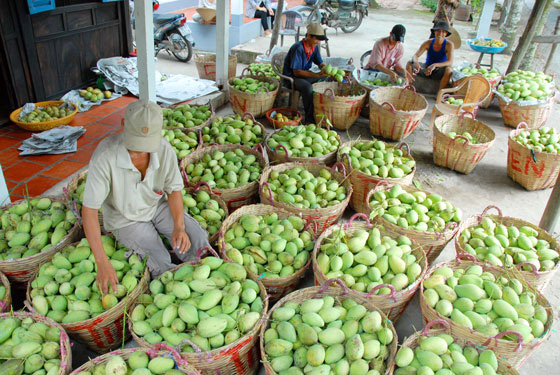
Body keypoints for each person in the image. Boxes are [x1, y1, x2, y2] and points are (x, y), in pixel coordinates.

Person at [82, 100, 211, 294]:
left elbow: (174, 190)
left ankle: (209, 283)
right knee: (159, 261)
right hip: (125, 219)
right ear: (123, 125)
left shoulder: (164, 149)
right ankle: (182, 296)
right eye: (135, 142)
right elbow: (89, 211)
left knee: (197, 239)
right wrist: (102, 262)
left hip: (157, 206)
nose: (140, 150)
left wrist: (179, 226)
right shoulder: (105, 157)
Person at [283, 23, 329, 124]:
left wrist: (325, 68)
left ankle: (320, 111)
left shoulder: (314, 47)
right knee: (307, 87)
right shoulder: (298, 48)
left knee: (326, 79)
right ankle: (309, 118)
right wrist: (316, 75)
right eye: (316, 39)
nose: (318, 42)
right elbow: (297, 71)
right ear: (308, 36)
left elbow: (319, 62)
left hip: (304, 75)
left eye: (319, 40)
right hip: (291, 77)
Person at [407, 21, 454, 91]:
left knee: (449, 70)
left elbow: (450, 62)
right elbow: (415, 55)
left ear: (446, 33)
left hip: (439, 70)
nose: (440, 33)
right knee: (409, 63)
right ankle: (409, 87)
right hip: (426, 67)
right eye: (438, 31)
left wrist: (435, 65)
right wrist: (416, 62)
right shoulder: (428, 43)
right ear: (434, 32)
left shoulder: (449, 44)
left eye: (443, 32)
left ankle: (440, 93)